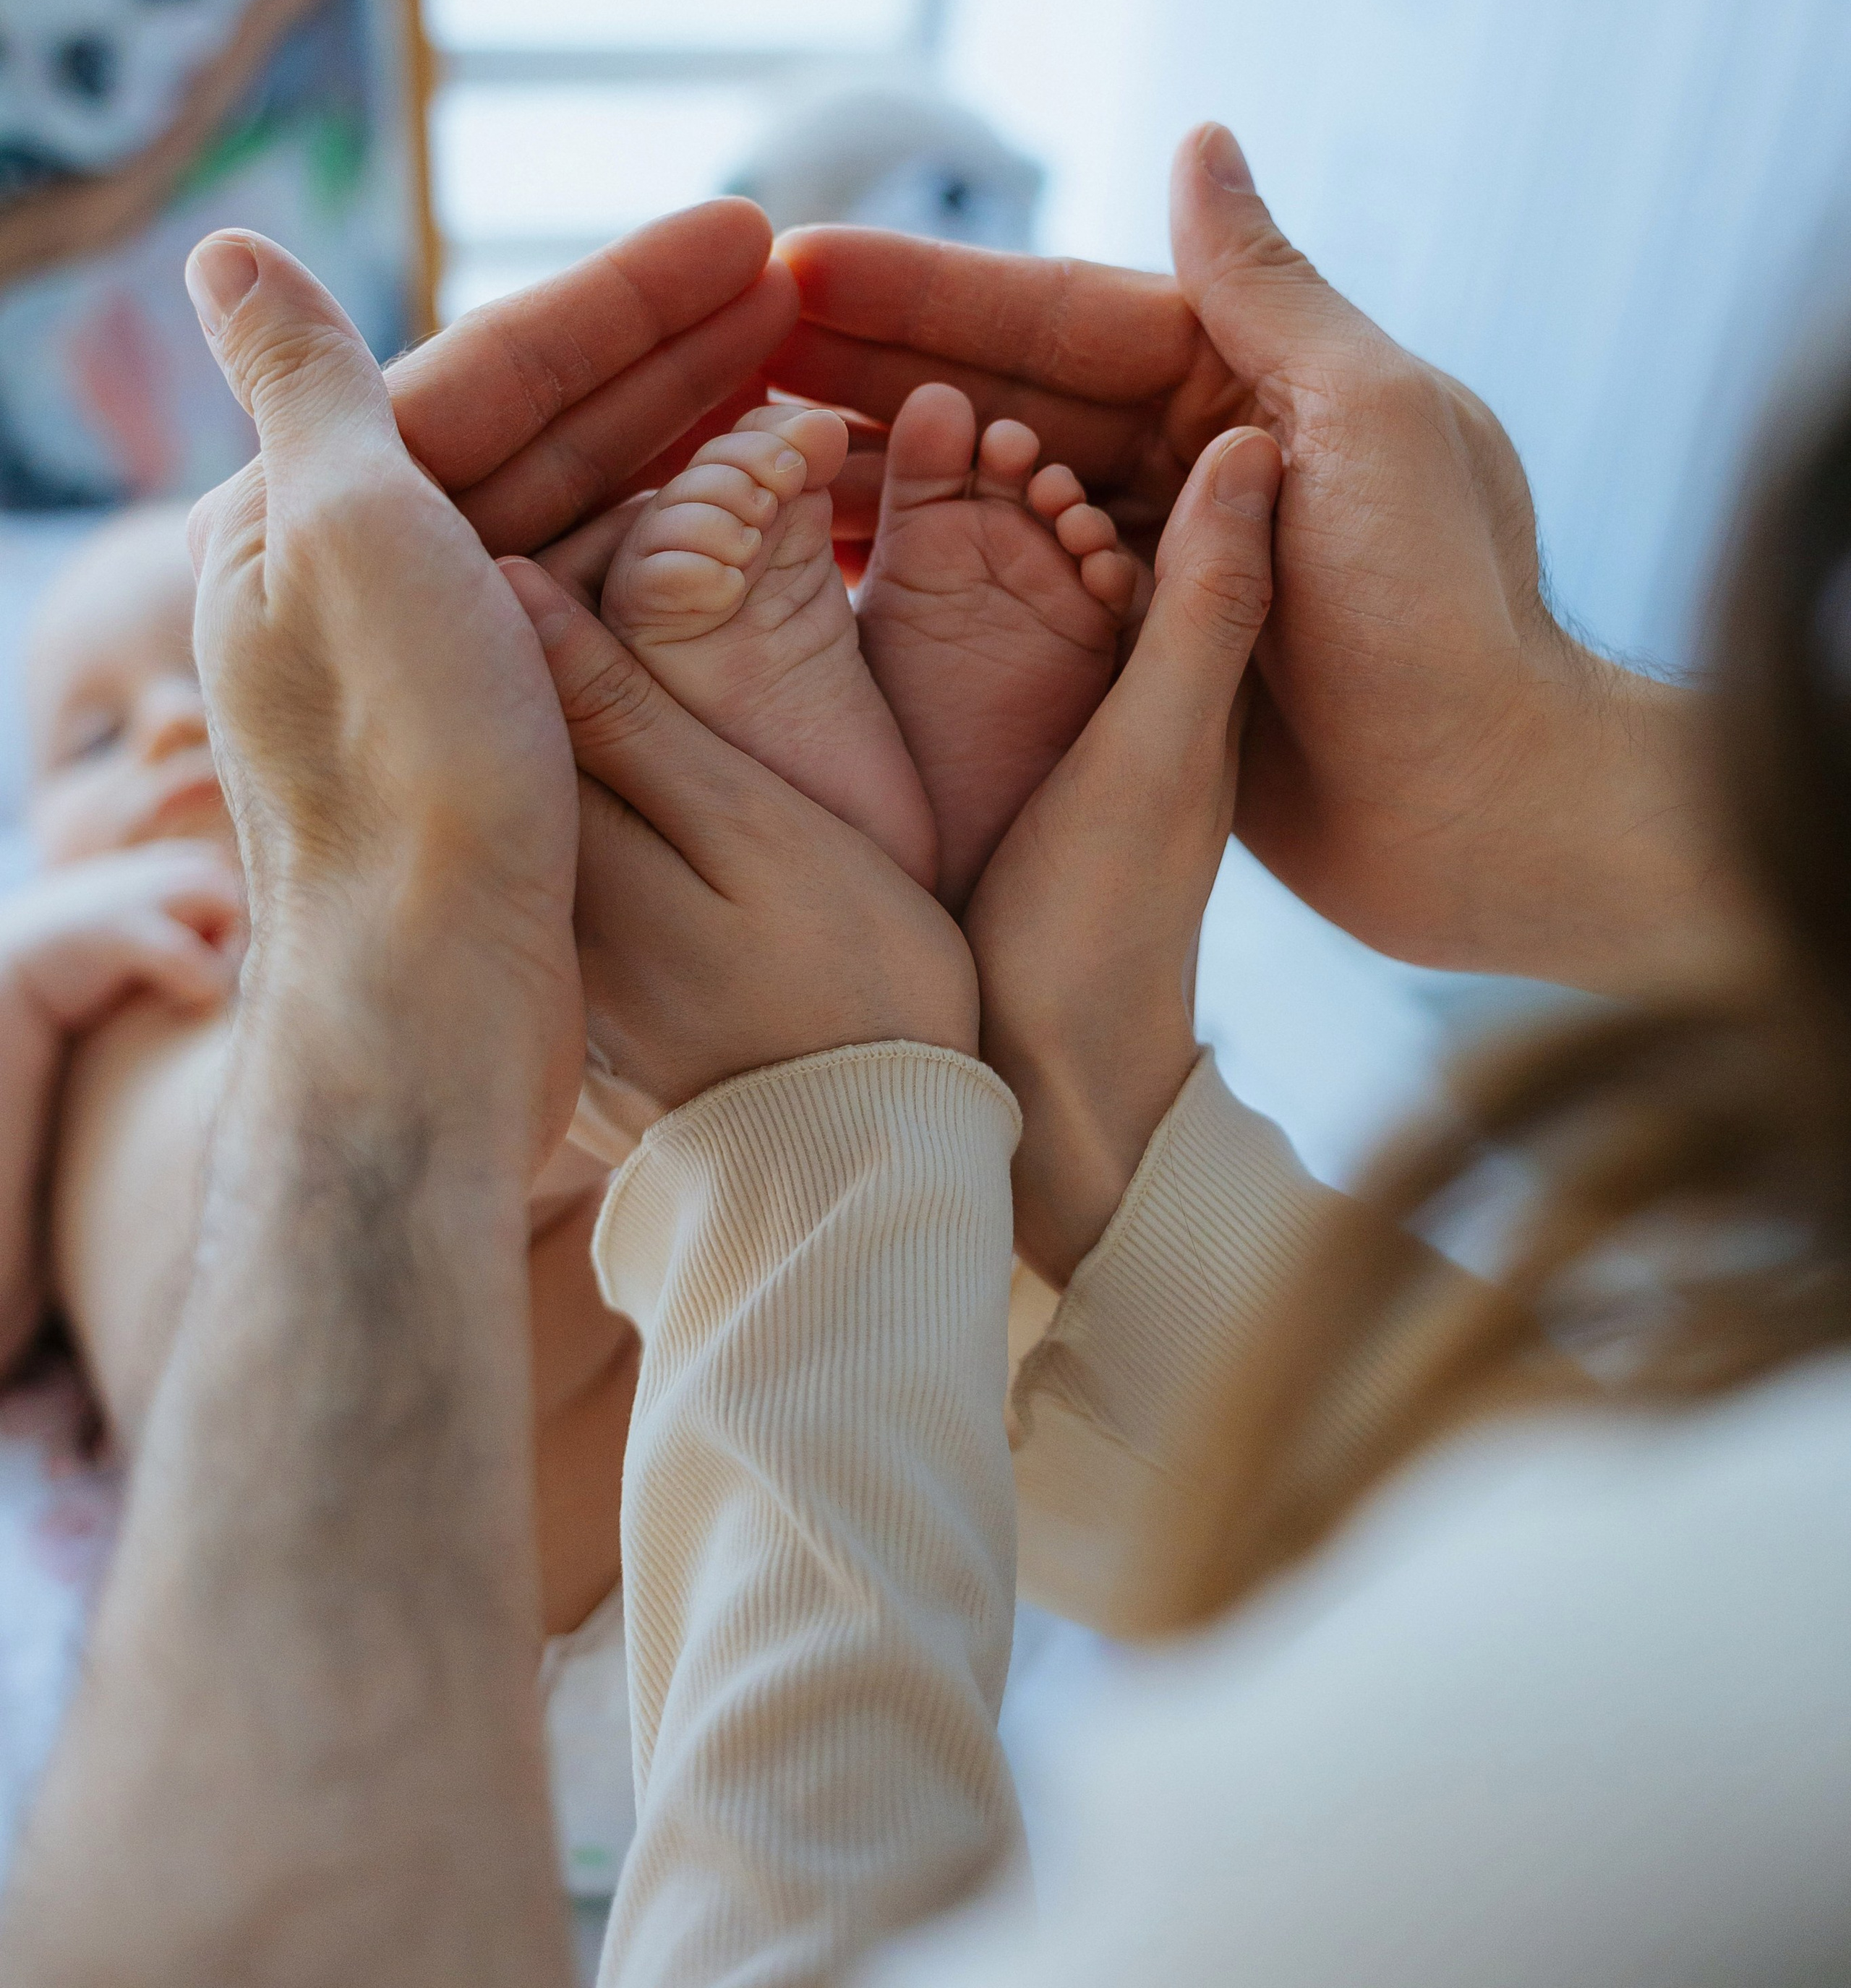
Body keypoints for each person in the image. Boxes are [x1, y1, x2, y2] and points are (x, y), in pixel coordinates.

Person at [3, 126, 1831, 1985]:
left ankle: (735, 920)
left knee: (493, 1146)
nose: (176, 744)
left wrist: (428, 991)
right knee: (359, 1137)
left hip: (533, 1586)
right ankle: (774, 918)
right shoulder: (76, 993)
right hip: (573, 1630)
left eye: (213, 682)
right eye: (90, 740)